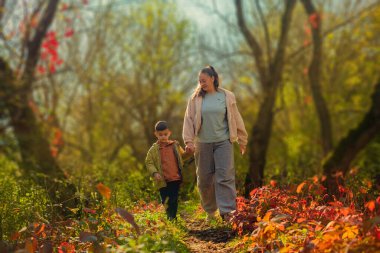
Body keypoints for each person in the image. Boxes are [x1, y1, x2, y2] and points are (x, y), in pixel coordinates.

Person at [182, 65, 248, 221]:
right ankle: (211, 211)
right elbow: (188, 120)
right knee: (204, 178)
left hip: (223, 141)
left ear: (213, 78)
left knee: (225, 176)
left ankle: (228, 212)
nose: (202, 84)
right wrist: (189, 141)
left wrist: (242, 139)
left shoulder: (227, 96)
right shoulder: (195, 98)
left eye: (204, 80)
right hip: (203, 143)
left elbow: (236, 118)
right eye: (200, 81)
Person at [145, 121, 187, 220]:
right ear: (156, 134)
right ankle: (169, 215)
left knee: (174, 199)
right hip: (162, 180)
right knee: (165, 200)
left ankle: (172, 217)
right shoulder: (153, 149)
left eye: (165, 134)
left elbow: (183, 156)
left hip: (175, 178)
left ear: (169, 133)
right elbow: (149, 162)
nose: (163, 137)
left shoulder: (175, 145)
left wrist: (190, 151)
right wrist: (155, 173)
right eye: (160, 135)